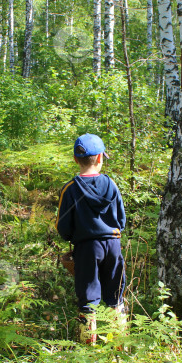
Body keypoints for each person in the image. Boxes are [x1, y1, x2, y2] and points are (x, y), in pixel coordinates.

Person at [56, 133, 127, 344]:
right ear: (99, 158)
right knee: (115, 294)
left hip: (87, 248)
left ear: (76, 159)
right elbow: (121, 219)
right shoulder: (111, 184)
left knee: (88, 299)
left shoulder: (70, 189)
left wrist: (72, 237)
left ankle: (89, 348)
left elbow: (63, 226)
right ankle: (120, 344)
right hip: (113, 244)